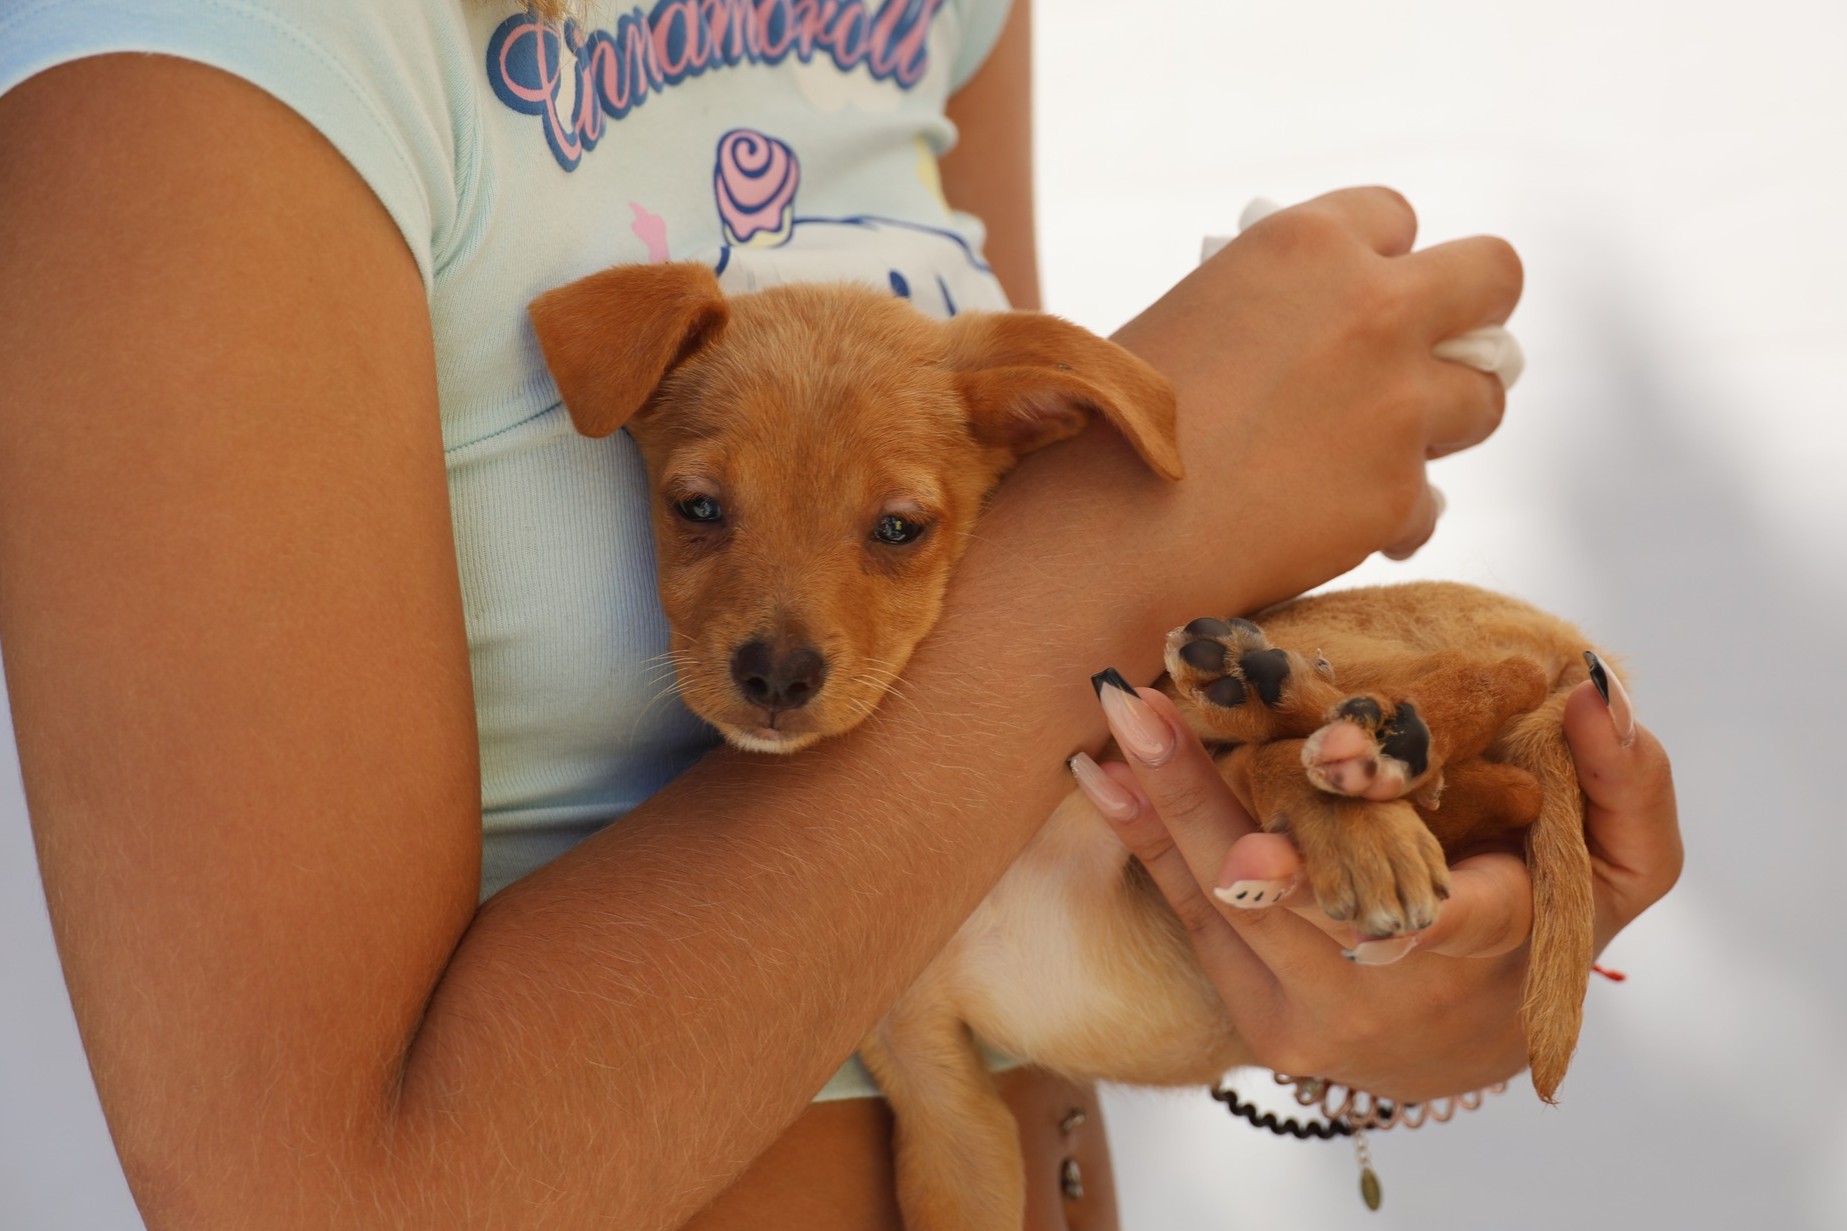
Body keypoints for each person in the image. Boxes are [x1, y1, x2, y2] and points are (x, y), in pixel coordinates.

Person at [0, 1, 1681, 1227]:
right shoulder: (199, 68)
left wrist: (1337, 987)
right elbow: (307, 1205)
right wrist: (1142, 536)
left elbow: (1018, 706)